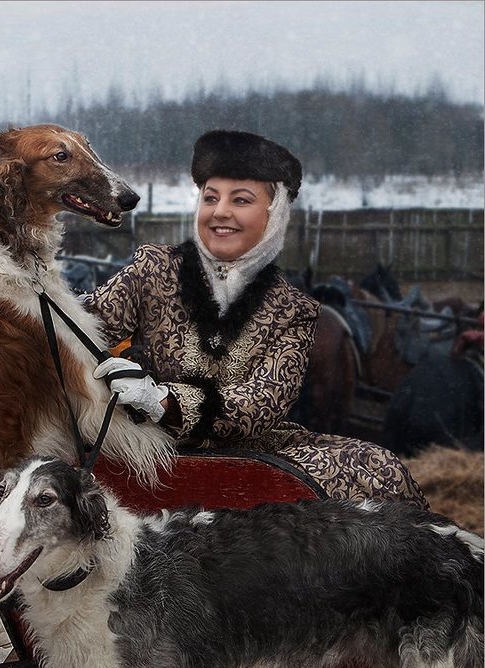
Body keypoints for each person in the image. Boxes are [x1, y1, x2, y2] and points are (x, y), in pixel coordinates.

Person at [84, 129, 428, 508]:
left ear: (273, 214)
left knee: (380, 468)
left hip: (243, 446)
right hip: (143, 441)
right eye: (210, 198)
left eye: (241, 200)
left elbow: (262, 401)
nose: (220, 212)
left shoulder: (293, 310)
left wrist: (165, 400)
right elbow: (84, 326)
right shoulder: (153, 270)